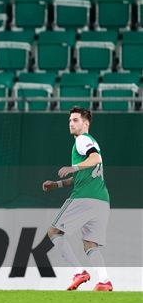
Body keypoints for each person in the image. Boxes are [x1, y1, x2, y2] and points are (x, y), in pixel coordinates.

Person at [42, 106, 113, 292]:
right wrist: (57, 184)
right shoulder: (90, 142)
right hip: (101, 200)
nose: (71, 123)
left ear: (86, 123)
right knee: (91, 244)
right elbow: (81, 176)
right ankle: (104, 281)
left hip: (85, 197)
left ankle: (79, 272)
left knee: (54, 232)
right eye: (70, 120)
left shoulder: (82, 140)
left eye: (75, 120)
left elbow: (95, 159)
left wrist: (74, 167)